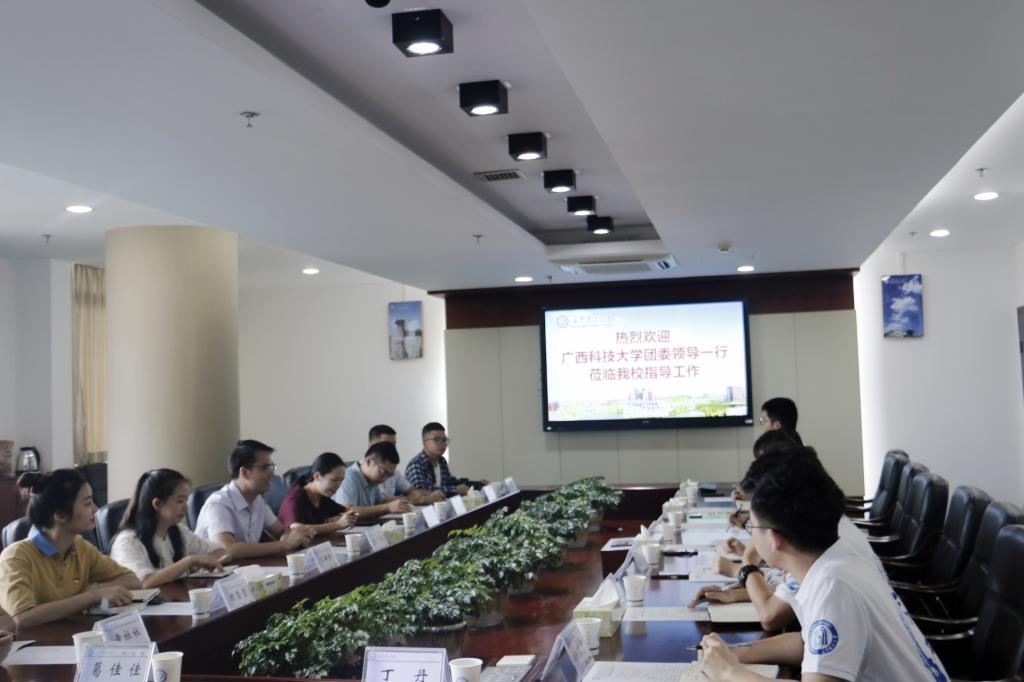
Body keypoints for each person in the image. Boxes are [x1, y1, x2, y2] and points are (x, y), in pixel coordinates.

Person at [698, 450, 948, 682]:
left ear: (774, 539)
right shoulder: (833, 560)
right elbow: (806, 643)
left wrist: (728, 673)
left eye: (751, 526)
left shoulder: (833, 586)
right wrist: (735, 653)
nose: (750, 536)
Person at [0, 470, 142, 628]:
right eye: (87, 504)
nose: (96, 510)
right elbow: (22, 618)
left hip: (73, 635)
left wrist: (98, 588)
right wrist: (93, 596)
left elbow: (133, 581)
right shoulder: (16, 557)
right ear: (60, 515)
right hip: (37, 642)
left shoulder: (80, 547)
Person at [195, 440, 315, 558]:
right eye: (266, 468)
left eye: (272, 467)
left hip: (248, 567)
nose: (272, 475)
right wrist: (284, 545)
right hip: (214, 570)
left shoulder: (257, 500)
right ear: (244, 472)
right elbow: (227, 549)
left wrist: (292, 537)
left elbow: (281, 531)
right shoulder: (218, 504)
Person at [110, 469, 227, 588]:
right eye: (180, 501)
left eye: (186, 500)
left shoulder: (178, 530)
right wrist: (189, 562)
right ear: (157, 504)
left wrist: (201, 564)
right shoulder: (128, 541)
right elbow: (143, 583)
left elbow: (222, 551)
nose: (186, 507)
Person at [277, 452, 358, 533]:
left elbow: (345, 511)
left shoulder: (323, 497)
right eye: (334, 480)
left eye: (341, 480)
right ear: (317, 476)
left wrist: (345, 517)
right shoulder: (295, 499)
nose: (338, 485)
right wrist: (337, 525)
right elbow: (297, 529)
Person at [404, 422, 488, 497]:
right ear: (424, 443)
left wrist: (475, 484)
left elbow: (450, 482)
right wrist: (455, 490)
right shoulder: (416, 464)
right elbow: (421, 491)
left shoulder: (441, 461)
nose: (442, 443)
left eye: (444, 440)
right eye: (436, 439)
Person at [369, 425, 445, 504]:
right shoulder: (368, 471)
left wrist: (431, 494)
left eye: (393, 444)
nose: (392, 448)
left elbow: (412, 491)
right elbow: (381, 500)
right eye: (386, 444)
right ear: (371, 446)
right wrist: (422, 499)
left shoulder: (393, 471)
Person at [333, 442, 411, 519]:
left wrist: (403, 501)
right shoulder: (348, 476)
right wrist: (388, 507)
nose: (385, 478)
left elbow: (380, 503)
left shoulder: (372, 480)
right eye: (383, 472)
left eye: (389, 475)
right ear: (369, 461)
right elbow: (347, 511)